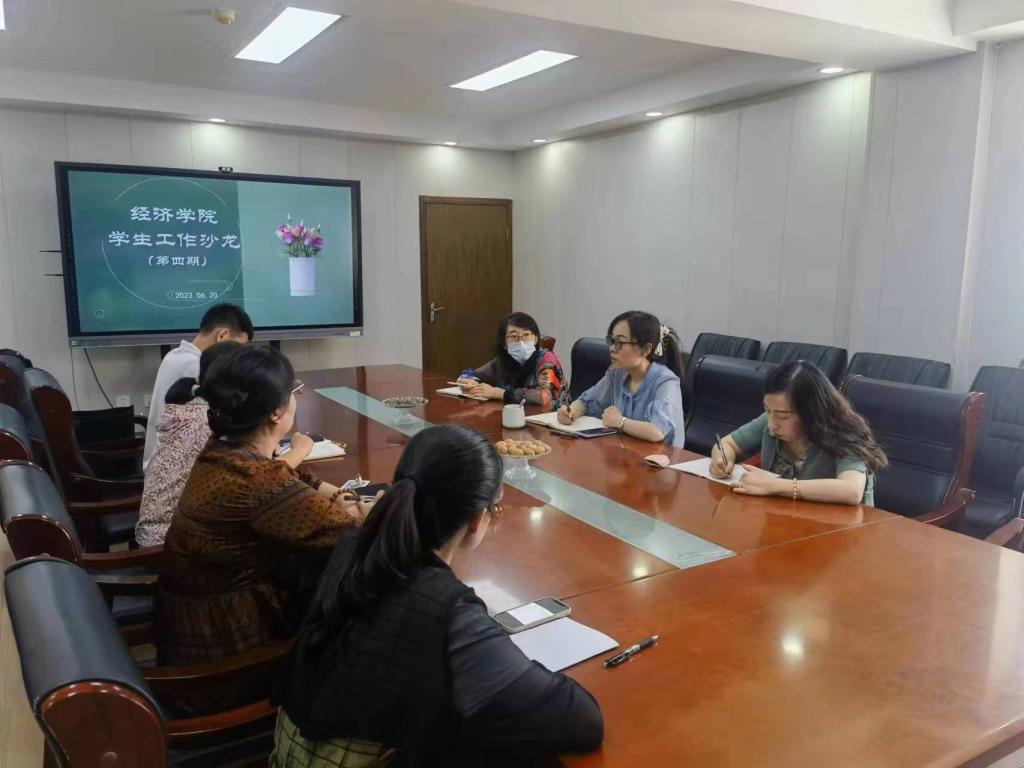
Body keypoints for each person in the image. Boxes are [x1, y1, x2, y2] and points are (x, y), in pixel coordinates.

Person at [271, 425, 603, 767]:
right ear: (477, 519)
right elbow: (583, 722)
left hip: (290, 754)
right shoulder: (447, 609)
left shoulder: (354, 546)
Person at [157, 346, 373, 670]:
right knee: (363, 582)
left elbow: (287, 477)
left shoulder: (223, 450)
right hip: (230, 654)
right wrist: (363, 507)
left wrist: (339, 496)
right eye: (293, 390)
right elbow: (358, 535)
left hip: (193, 631)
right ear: (276, 411)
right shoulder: (256, 481)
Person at [710, 359, 887, 505]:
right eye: (767, 410)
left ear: (811, 411)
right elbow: (727, 443)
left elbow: (852, 490)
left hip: (842, 529)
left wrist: (775, 486)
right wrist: (722, 459)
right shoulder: (772, 418)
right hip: (788, 519)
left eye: (783, 416)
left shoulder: (845, 430)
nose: (772, 424)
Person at [135, 340, 242, 548]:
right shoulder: (208, 425)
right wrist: (298, 451)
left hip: (160, 534)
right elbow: (255, 481)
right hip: (171, 545)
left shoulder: (188, 411)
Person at [143, 303, 254, 469]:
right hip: (179, 471)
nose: (237, 355)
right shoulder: (196, 366)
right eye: (238, 346)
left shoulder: (174, 356)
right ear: (222, 335)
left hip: (160, 465)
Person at [557, 310, 686, 447]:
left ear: (645, 349)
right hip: (627, 453)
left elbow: (657, 431)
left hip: (661, 458)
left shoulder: (666, 382)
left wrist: (620, 421)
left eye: (620, 342)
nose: (612, 348)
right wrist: (570, 412)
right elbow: (587, 401)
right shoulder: (617, 374)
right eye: (612, 341)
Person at [456, 312, 566, 410]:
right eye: (514, 336)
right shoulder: (502, 361)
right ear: (504, 344)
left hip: (548, 420)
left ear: (536, 339)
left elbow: (545, 398)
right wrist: (468, 381)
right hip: (511, 416)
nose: (521, 341)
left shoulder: (547, 359)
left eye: (526, 334)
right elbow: (474, 373)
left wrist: (501, 393)